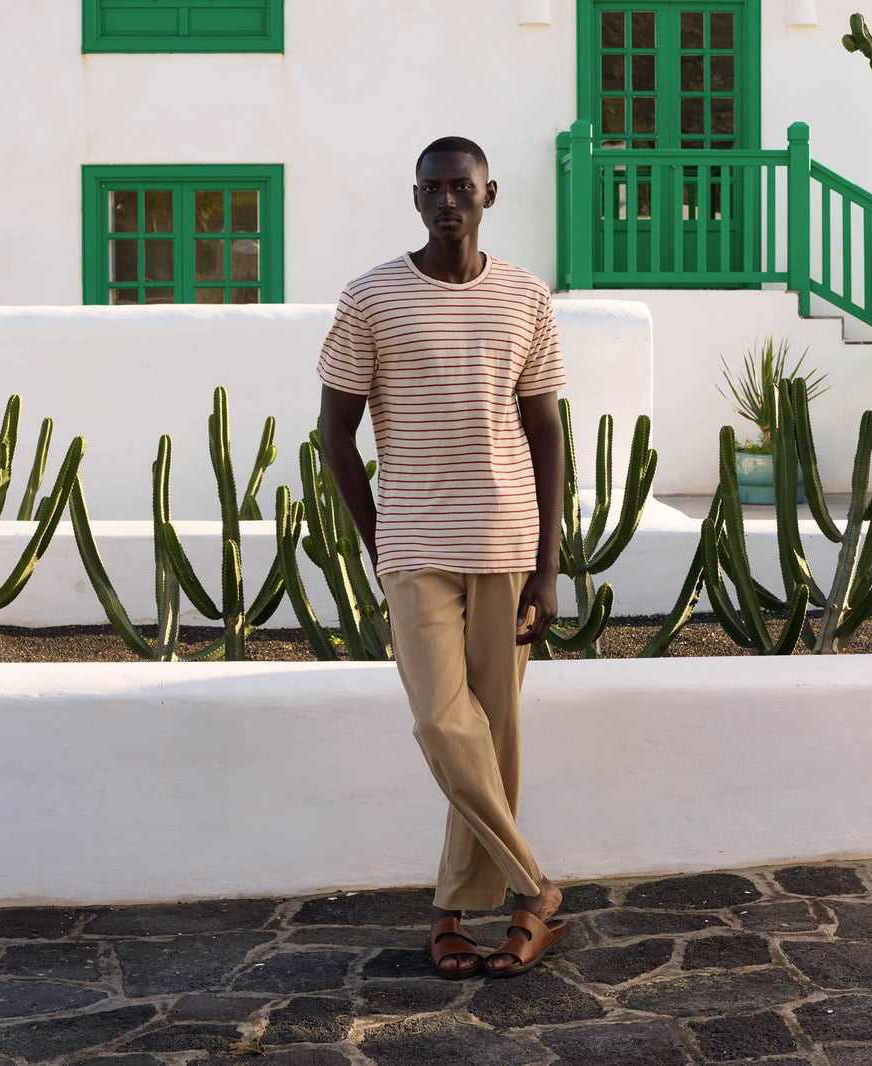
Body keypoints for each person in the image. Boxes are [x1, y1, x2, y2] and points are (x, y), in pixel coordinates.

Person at [316, 136, 567, 979]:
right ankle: (536, 889)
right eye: (434, 189)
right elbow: (335, 435)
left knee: (494, 740)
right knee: (440, 722)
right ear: (415, 198)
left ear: (489, 193)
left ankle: (452, 910)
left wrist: (548, 564)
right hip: (417, 545)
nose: (448, 200)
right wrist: (378, 537)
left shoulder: (527, 296)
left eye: (463, 186)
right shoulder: (371, 298)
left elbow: (545, 431)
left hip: (506, 544)